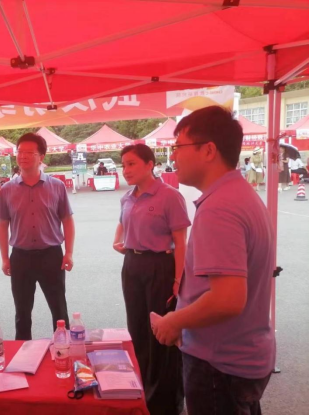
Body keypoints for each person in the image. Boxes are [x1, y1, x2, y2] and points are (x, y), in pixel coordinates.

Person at [152, 106, 275, 415]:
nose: (173, 155)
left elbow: (227, 300)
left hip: (220, 365)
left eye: (178, 146)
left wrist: (174, 321)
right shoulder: (239, 194)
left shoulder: (219, 208)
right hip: (241, 357)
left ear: (208, 150)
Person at [113, 143, 190, 415]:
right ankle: (143, 389)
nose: (126, 170)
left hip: (160, 265)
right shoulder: (127, 198)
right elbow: (122, 222)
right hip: (132, 265)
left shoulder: (170, 196)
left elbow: (181, 241)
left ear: (150, 165)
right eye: (124, 165)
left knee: (162, 333)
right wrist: (118, 240)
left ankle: (166, 401)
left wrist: (178, 280)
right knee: (137, 328)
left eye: (132, 164)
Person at [0, 133, 75, 340]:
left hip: (51, 256)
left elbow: (67, 220)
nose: (23, 156)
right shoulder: (7, 190)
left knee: (59, 309)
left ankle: (63, 348)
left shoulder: (56, 186)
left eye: (29, 152)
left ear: (41, 156)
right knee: (22, 313)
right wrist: (5, 257)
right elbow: (3, 225)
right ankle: (23, 354)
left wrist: (69, 253)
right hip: (20, 257)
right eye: (20, 152)